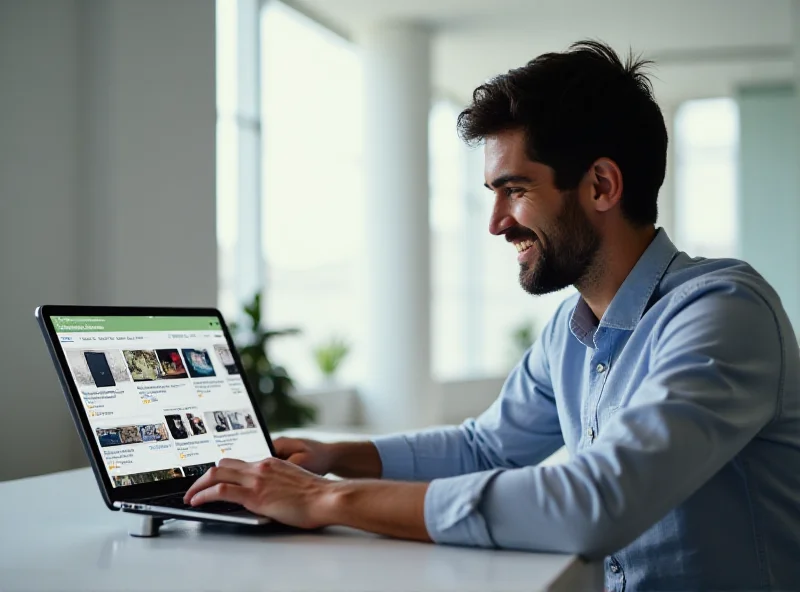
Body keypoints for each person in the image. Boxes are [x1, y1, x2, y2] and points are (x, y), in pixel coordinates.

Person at [184, 41, 800, 591]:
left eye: (517, 190)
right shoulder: (571, 330)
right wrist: (335, 455)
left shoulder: (723, 312)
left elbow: (598, 502)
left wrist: (327, 500)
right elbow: (488, 447)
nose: (496, 222)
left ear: (602, 186)